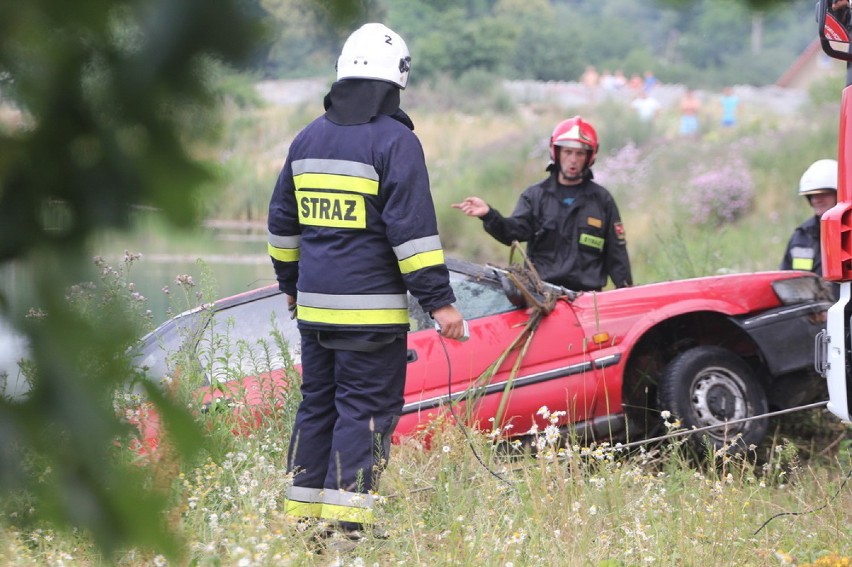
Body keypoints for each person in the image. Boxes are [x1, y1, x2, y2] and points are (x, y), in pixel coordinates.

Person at [267, 22, 465, 542]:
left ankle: (303, 525)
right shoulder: (396, 141)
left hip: (313, 311)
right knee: (365, 412)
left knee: (317, 408)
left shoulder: (306, 138)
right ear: (394, 81)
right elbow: (413, 234)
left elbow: (281, 226)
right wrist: (441, 304)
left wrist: (290, 285)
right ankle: (348, 530)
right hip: (370, 316)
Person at [452, 116, 632, 291]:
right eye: (568, 152)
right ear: (556, 152)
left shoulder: (602, 200)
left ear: (589, 157)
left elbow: (617, 256)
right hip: (542, 297)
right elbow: (512, 232)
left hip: (587, 301)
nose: (573, 159)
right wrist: (488, 214)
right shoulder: (535, 196)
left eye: (580, 153)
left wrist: (627, 295)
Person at [781, 159, 838, 276]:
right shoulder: (801, 236)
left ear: (840, 193)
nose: (816, 200)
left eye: (823, 193)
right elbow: (785, 279)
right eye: (812, 195)